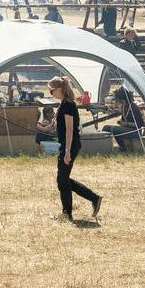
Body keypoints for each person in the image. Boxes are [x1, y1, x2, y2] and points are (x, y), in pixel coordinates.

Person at [47, 75, 101, 220]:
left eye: (51, 91)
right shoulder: (64, 104)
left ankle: (68, 212)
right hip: (67, 144)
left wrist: (67, 151)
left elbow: (70, 130)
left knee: (62, 180)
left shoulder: (68, 105)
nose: (50, 94)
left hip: (70, 145)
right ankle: (92, 199)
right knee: (63, 179)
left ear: (59, 89)